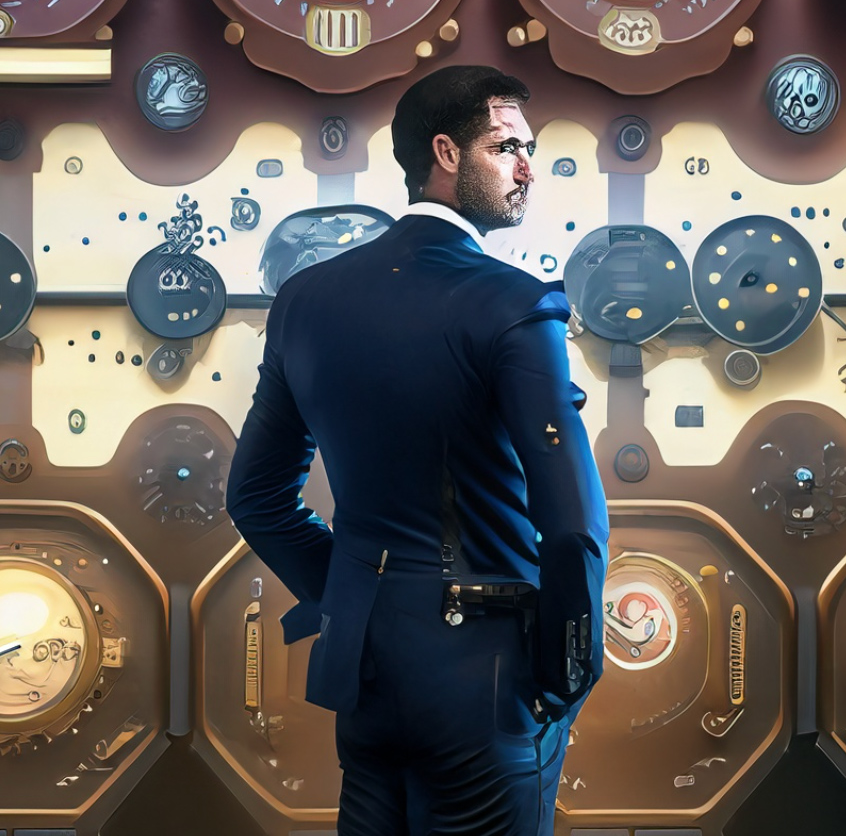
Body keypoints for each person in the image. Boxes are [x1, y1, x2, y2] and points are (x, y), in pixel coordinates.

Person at [226, 65, 609, 835]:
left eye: (530, 148)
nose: (528, 169)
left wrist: (350, 598)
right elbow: (573, 525)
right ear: (444, 152)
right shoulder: (515, 304)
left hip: (365, 670)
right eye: (507, 147)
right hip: (489, 678)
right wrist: (567, 671)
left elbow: (256, 500)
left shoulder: (307, 300)